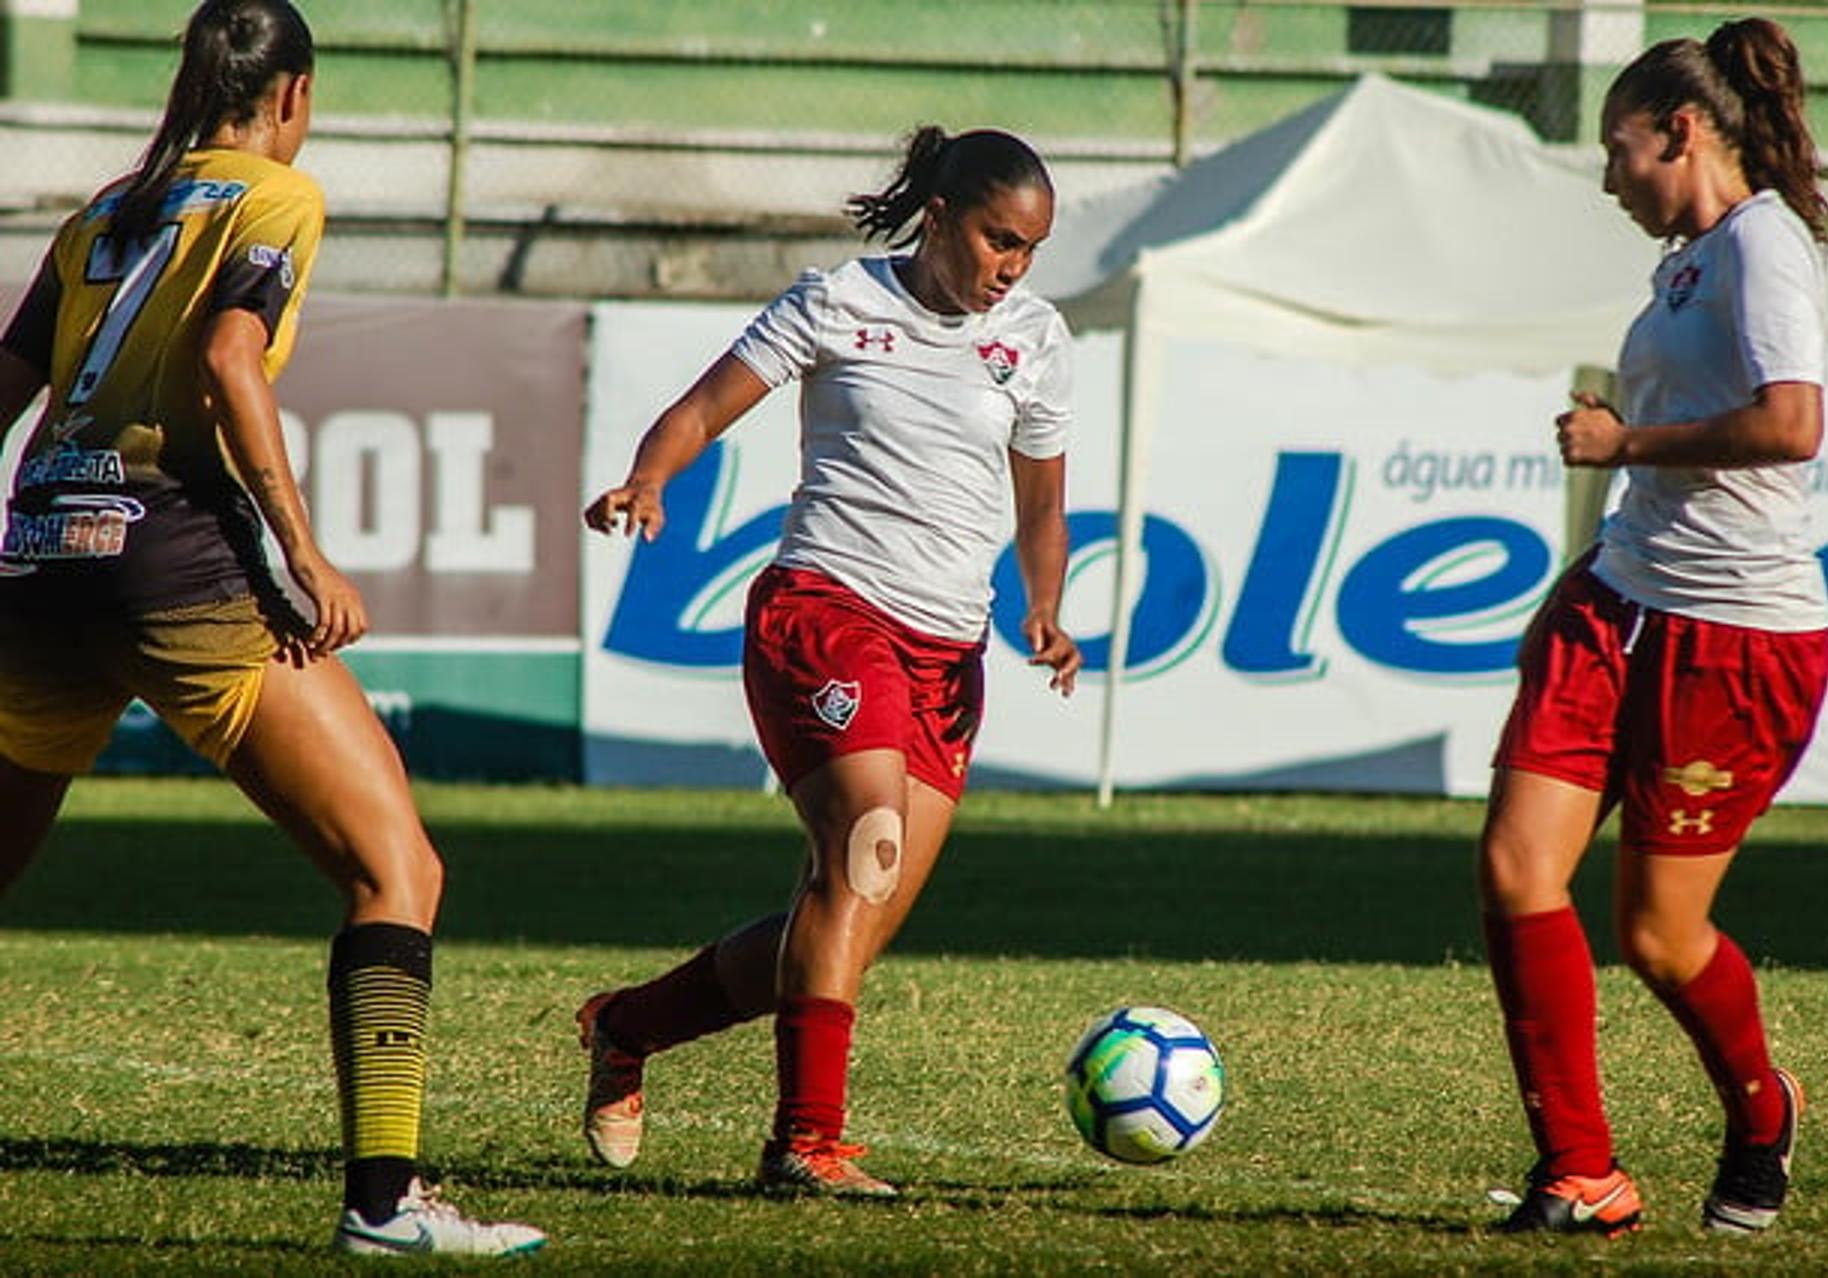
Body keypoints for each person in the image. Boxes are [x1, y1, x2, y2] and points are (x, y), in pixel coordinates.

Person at [0, 1, 543, 1257]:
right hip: (172, 566)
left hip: (41, 558)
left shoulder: (112, 208)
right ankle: (386, 1205)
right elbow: (232, 359)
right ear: (293, 93)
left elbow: (12, 378)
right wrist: (302, 553)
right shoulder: (273, 197)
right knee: (395, 870)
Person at [578, 125, 1080, 1196]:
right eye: (1000, 239)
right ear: (938, 216)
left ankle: (627, 1025)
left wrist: (1045, 608)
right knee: (866, 849)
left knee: (851, 917)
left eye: (1031, 249)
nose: (1014, 267)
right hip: (825, 609)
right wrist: (648, 477)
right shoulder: (837, 301)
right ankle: (804, 1145)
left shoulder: (1035, 337)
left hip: (947, 653)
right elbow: (707, 404)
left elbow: (1043, 500)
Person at [1478, 18, 1828, 1239]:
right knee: (1519, 869)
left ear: (1681, 132)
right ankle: (1583, 1172)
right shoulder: (1688, 259)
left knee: (1656, 936)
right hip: (1618, 603)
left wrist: (1624, 441)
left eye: (1616, 146)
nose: (1608, 173)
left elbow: (1793, 426)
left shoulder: (1767, 246)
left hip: (1734, 640)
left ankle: (1760, 1115)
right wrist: (1594, 561)